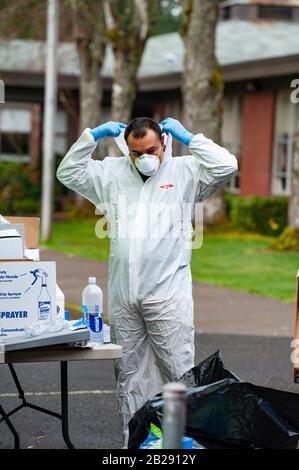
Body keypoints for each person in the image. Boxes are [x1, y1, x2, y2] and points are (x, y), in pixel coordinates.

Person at [56, 117, 238, 448]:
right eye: (137, 152)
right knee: (129, 375)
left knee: (179, 373)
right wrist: (91, 136)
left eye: (151, 149)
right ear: (128, 150)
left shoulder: (186, 172)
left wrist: (189, 137)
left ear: (165, 142)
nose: (145, 157)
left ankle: (184, 445)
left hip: (168, 292)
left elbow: (226, 165)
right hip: (124, 294)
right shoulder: (112, 172)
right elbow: (68, 172)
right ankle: (135, 444)